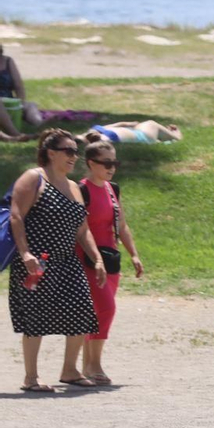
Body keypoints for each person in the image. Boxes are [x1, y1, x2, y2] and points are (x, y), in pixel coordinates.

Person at [8, 129, 106, 392]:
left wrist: (96, 258)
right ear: (51, 153)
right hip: (37, 261)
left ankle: (70, 370)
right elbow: (17, 216)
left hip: (67, 260)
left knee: (82, 310)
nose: (74, 156)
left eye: (76, 151)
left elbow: (82, 230)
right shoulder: (34, 178)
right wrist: (25, 253)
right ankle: (31, 377)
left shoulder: (74, 186)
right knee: (36, 317)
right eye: (68, 151)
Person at [75, 137, 143, 385]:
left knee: (98, 311)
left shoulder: (112, 188)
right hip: (88, 259)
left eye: (114, 162)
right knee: (106, 308)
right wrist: (95, 258)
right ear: (91, 163)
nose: (111, 167)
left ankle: (88, 365)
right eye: (106, 163)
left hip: (111, 258)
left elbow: (122, 225)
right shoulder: (81, 189)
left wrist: (134, 254)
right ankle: (94, 365)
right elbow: (81, 229)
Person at [0, 44, 30, 140]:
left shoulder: (7, 61)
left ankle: (9, 137)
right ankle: (14, 134)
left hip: (8, 101)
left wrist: (21, 103)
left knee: (33, 115)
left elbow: (18, 85)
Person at [84, 122, 182, 145]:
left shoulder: (100, 132)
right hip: (143, 136)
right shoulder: (100, 130)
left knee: (143, 126)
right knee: (151, 123)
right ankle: (176, 136)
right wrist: (131, 123)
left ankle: (164, 136)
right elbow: (121, 124)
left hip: (137, 133)